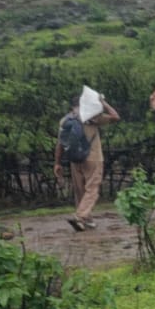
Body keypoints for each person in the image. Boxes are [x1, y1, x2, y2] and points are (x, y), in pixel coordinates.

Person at [53, 93, 120, 231]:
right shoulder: (92, 117)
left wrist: (57, 163)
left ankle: (86, 220)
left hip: (75, 159)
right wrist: (103, 102)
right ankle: (81, 216)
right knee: (92, 190)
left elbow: (60, 143)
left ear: (72, 106)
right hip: (93, 158)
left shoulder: (65, 120)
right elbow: (115, 117)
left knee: (80, 191)